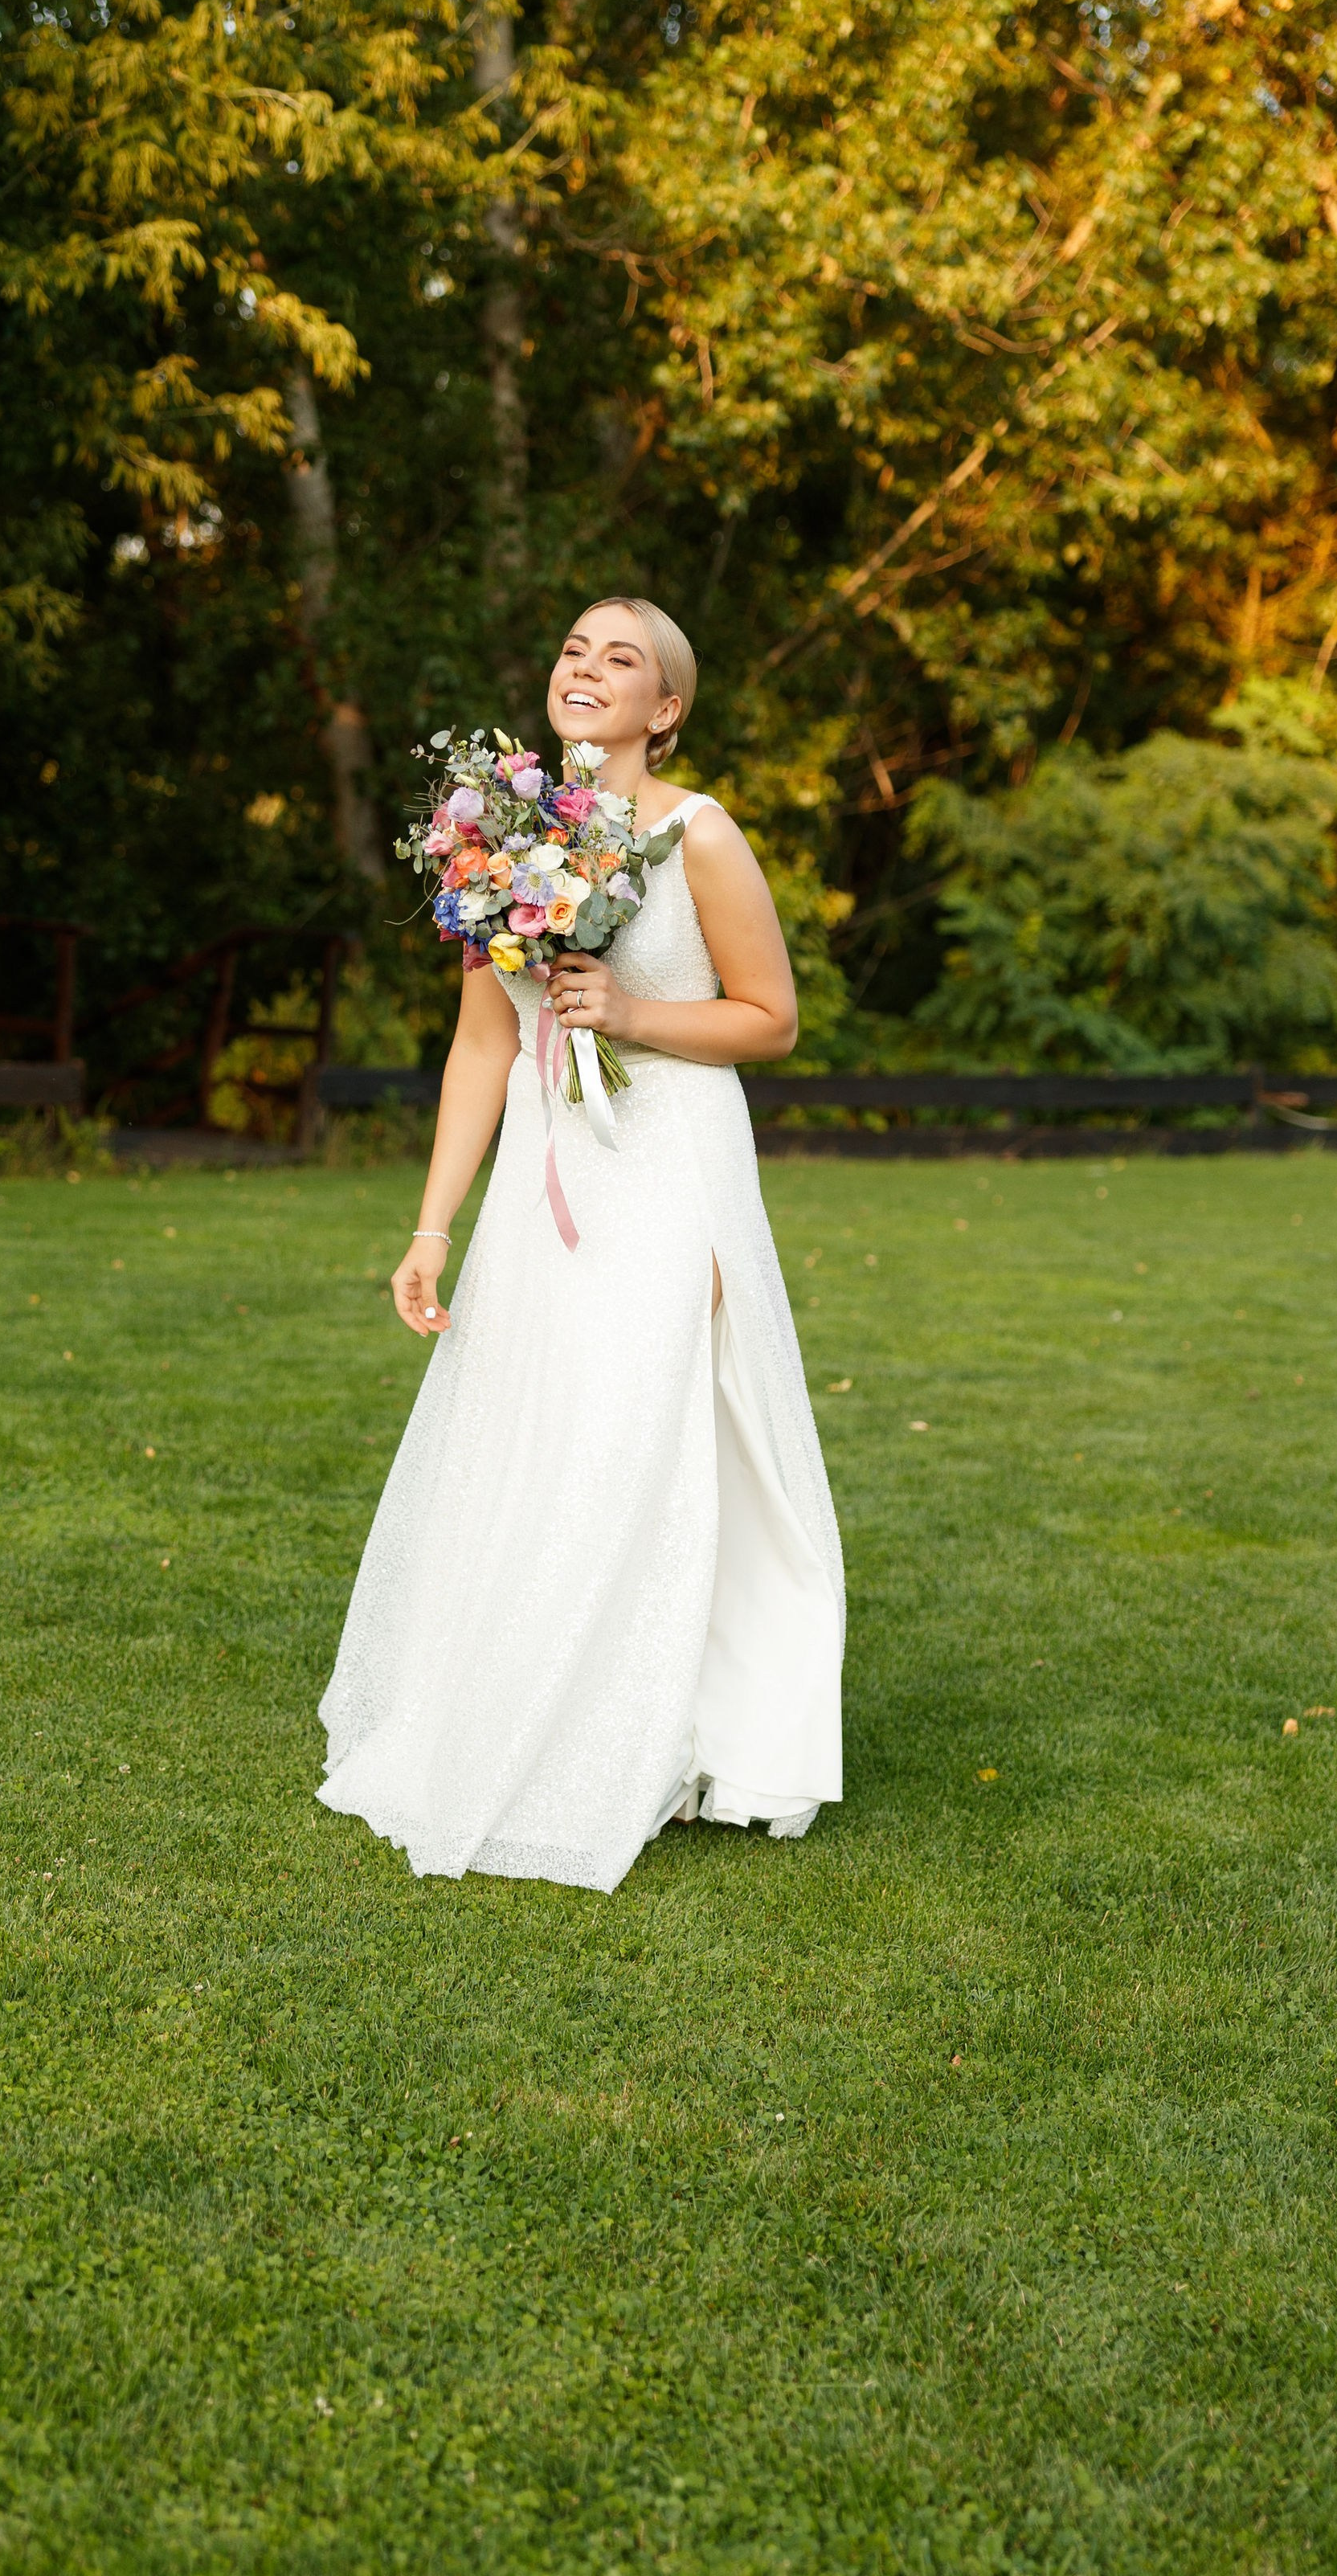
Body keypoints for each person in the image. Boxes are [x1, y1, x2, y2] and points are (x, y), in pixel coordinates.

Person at [317, 595, 844, 1893]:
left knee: (641, 1428)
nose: (588, 669)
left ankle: (672, 1737)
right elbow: (485, 1043)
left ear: (665, 709)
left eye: (625, 659)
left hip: (669, 1165)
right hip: (550, 1175)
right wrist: (433, 1225)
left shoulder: (696, 834)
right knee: (537, 1424)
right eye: (573, 650)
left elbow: (771, 1020)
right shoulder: (491, 838)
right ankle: (527, 1711)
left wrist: (632, 1009)